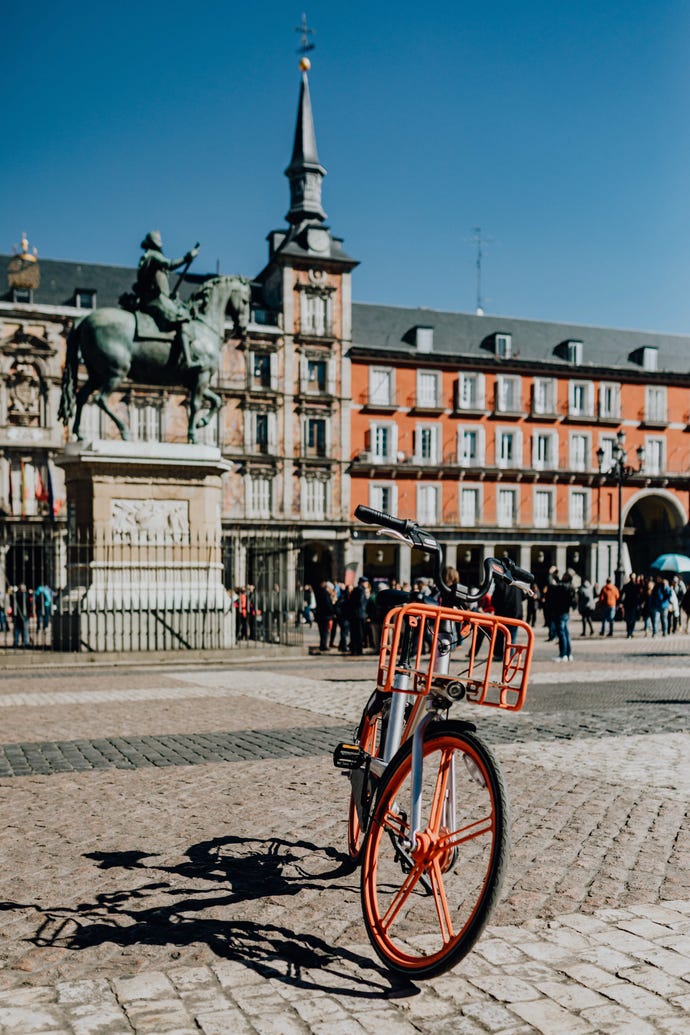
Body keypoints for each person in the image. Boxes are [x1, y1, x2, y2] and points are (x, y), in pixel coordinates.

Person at [130, 230, 202, 373]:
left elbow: (159, 283)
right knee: (183, 319)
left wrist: (170, 296)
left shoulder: (149, 257)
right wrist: (188, 257)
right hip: (155, 300)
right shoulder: (153, 256)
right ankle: (188, 360)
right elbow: (170, 264)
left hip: (158, 298)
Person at [549, 571, 576, 662]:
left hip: (560, 612)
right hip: (566, 612)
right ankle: (569, 654)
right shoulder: (570, 586)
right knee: (566, 633)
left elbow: (552, 586)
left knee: (561, 634)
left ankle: (563, 654)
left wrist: (550, 574)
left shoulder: (562, 586)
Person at [314, 580, 336, 652]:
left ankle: (322, 644)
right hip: (325, 616)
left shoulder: (320, 592)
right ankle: (323, 645)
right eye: (331, 589)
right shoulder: (325, 594)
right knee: (325, 631)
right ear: (328, 588)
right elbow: (328, 606)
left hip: (320, 615)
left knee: (322, 631)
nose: (331, 591)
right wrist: (333, 610)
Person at [9, 583, 30, 648]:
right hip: (24, 614)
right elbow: (28, 604)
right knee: (24, 629)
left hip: (16, 614)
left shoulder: (15, 595)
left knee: (17, 629)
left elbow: (12, 604)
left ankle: (16, 642)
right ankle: (25, 643)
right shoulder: (25, 595)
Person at [620, 574, 640, 639]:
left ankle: (629, 632)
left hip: (630, 604)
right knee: (631, 619)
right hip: (631, 605)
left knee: (629, 619)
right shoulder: (636, 586)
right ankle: (630, 632)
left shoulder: (628, 586)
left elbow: (621, 594)